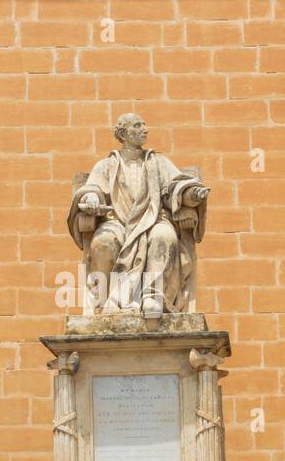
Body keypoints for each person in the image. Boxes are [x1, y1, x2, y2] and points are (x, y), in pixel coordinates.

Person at [67, 113, 210, 316]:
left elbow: (177, 184)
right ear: (123, 134)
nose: (145, 129)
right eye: (137, 125)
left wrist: (192, 194)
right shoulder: (106, 166)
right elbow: (92, 188)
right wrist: (91, 198)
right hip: (116, 221)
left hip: (154, 220)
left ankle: (153, 296)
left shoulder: (158, 162)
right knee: (103, 242)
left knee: (164, 236)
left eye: (144, 124)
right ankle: (105, 303)